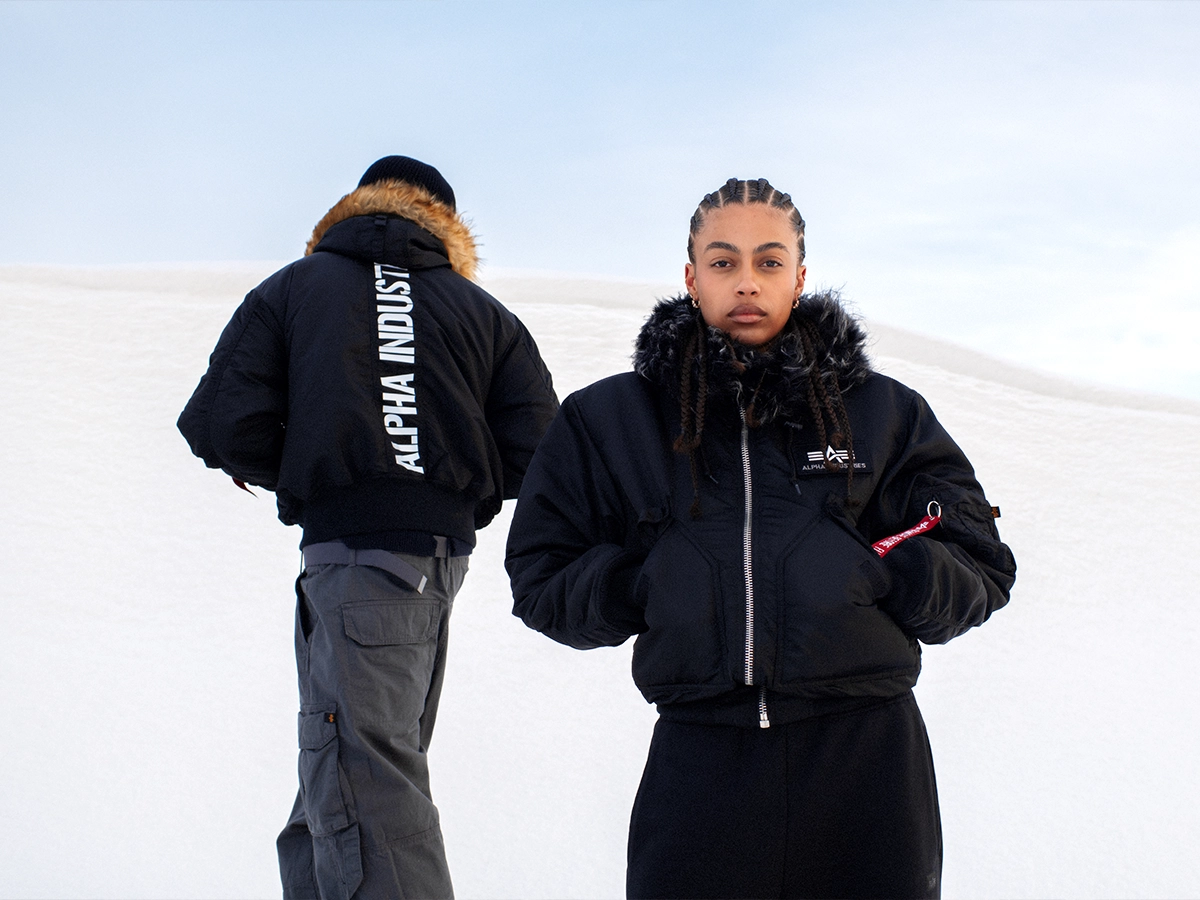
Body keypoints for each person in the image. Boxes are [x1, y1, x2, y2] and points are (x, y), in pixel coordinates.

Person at [505, 178, 1016, 899]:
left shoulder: (884, 413)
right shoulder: (611, 419)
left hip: (867, 762)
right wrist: (641, 585)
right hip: (700, 762)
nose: (747, 281)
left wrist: (884, 574)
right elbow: (541, 575)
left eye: (769, 261)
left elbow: (980, 562)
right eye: (724, 261)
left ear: (799, 277)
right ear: (692, 277)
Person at [178, 156, 559, 900]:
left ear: (356, 205)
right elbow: (541, 452)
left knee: (365, 784)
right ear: (447, 225)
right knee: (342, 777)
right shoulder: (483, 313)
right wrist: (439, 480)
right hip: (435, 567)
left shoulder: (296, 286)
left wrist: (320, 465)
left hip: (348, 556)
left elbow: (223, 422)